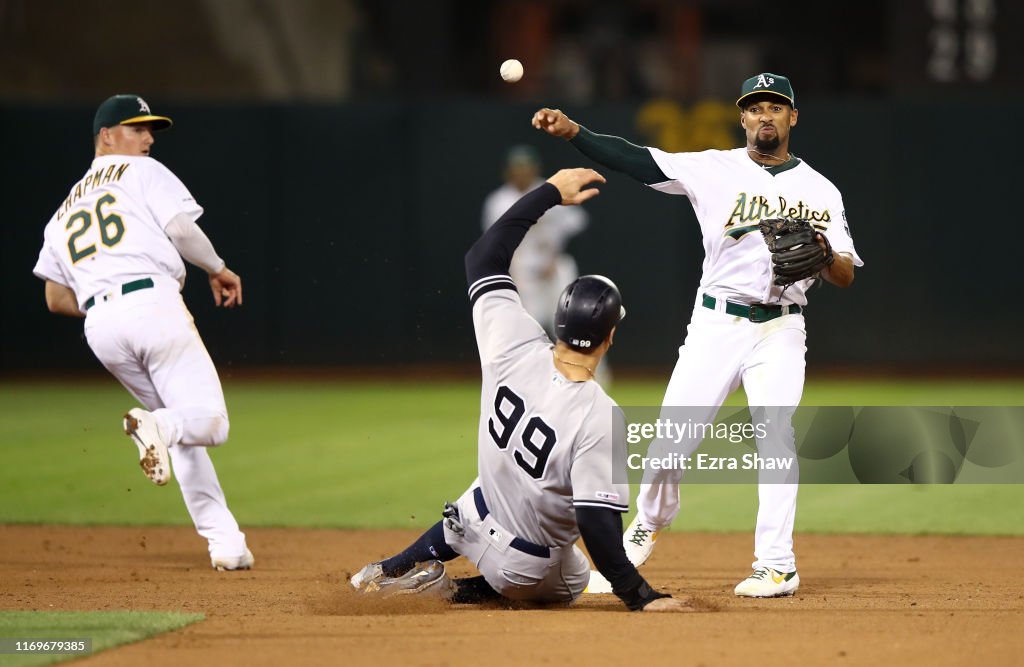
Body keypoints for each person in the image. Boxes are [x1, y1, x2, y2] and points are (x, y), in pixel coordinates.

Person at [532, 73, 863, 597]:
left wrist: (824, 255)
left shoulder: (820, 190)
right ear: (743, 117)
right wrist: (576, 133)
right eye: (755, 107)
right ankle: (650, 520)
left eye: (776, 107)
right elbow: (635, 158)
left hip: (780, 327)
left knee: (777, 439)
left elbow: (845, 273)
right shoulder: (713, 168)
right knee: (667, 448)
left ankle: (777, 563)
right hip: (716, 324)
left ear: (792, 117)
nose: (765, 116)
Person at [350, 168, 689, 612]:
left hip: (472, 522)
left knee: (484, 492)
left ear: (560, 321)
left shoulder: (513, 344)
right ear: (610, 338)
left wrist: (546, 193)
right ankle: (452, 592)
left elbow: (482, 259)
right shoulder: (598, 414)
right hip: (522, 571)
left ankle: (385, 571)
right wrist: (639, 597)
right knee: (577, 576)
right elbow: (596, 523)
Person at [32, 94, 254, 571]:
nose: (148, 139)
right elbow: (181, 230)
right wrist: (217, 268)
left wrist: (101, 303)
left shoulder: (62, 211)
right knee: (208, 422)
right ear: (106, 137)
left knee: (175, 427)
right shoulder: (141, 172)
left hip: (100, 325)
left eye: (149, 130)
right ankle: (162, 426)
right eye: (137, 129)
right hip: (152, 304)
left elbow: (54, 298)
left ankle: (226, 544)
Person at [481, 145, 588, 338]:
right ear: (508, 172)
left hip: (554, 266)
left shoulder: (552, 191)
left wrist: (555, 257)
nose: (522, 172)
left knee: (573, 321)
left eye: (526, 167)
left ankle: (590, 368)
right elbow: (495, 247)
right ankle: (533, 368)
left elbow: (577, 226)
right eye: (517, 167)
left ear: (535, 168)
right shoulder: (498, 201)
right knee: (526, 330)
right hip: (521, 271)